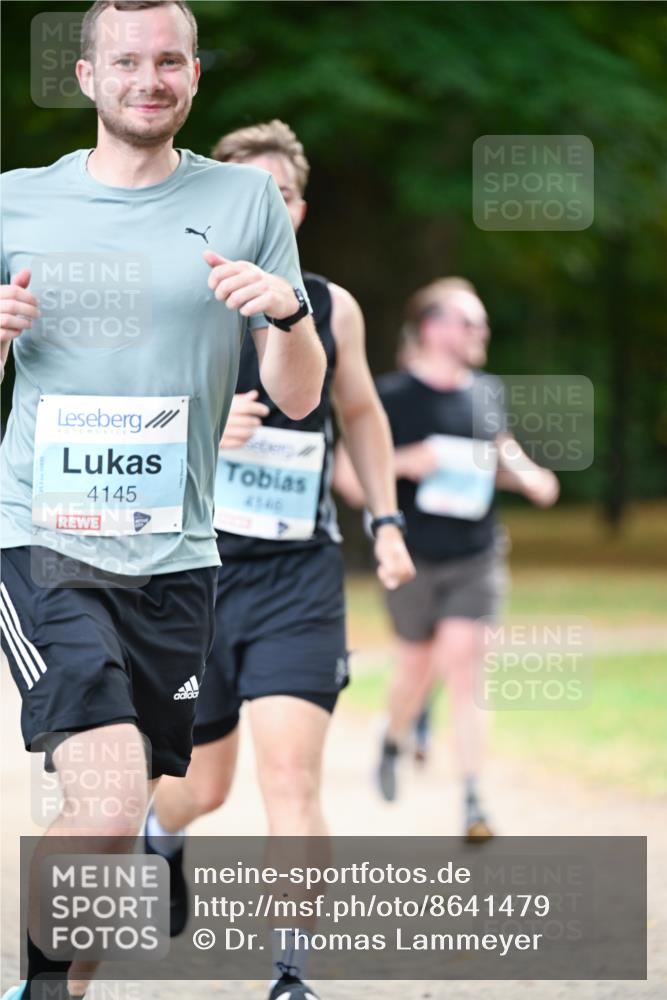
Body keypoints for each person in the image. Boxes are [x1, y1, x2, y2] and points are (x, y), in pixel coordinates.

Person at [0, 4, 326, 999]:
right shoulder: (17, 200)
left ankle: (58, 985)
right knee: (103, 804)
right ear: (89, 76)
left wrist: (287, 311)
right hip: (44, 537)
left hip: (178, 557)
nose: (150, 76)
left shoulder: (242, 202)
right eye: (128, 60)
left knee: (129, 802)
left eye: (170, 60)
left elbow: (303, 393)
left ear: (192, 77)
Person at [144, 119, 415, 1000]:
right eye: (241, 195)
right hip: (190, 577)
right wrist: (197, 431)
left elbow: (364, 415)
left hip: (298, 576)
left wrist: (386, 522)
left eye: (276, 196)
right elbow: (99, 424)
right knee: (203, 787)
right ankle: (159, 833)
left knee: (291, 775)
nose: (260, 210)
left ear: (296, 208)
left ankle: (290, 972)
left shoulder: (332, 307)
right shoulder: (167, 302)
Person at [334, 278, 559, 840]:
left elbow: (496, 454)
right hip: (409, 557)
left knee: (465, 665)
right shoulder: (390, 396)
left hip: (476, 556)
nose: (480, 331)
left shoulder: (486, 392)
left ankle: (473, 800)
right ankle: (394, 736)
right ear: (432, 328)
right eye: (468, 322)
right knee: (416, 667)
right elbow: (347, 479)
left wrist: (527, 476)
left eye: (481, 322)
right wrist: (413, 460)